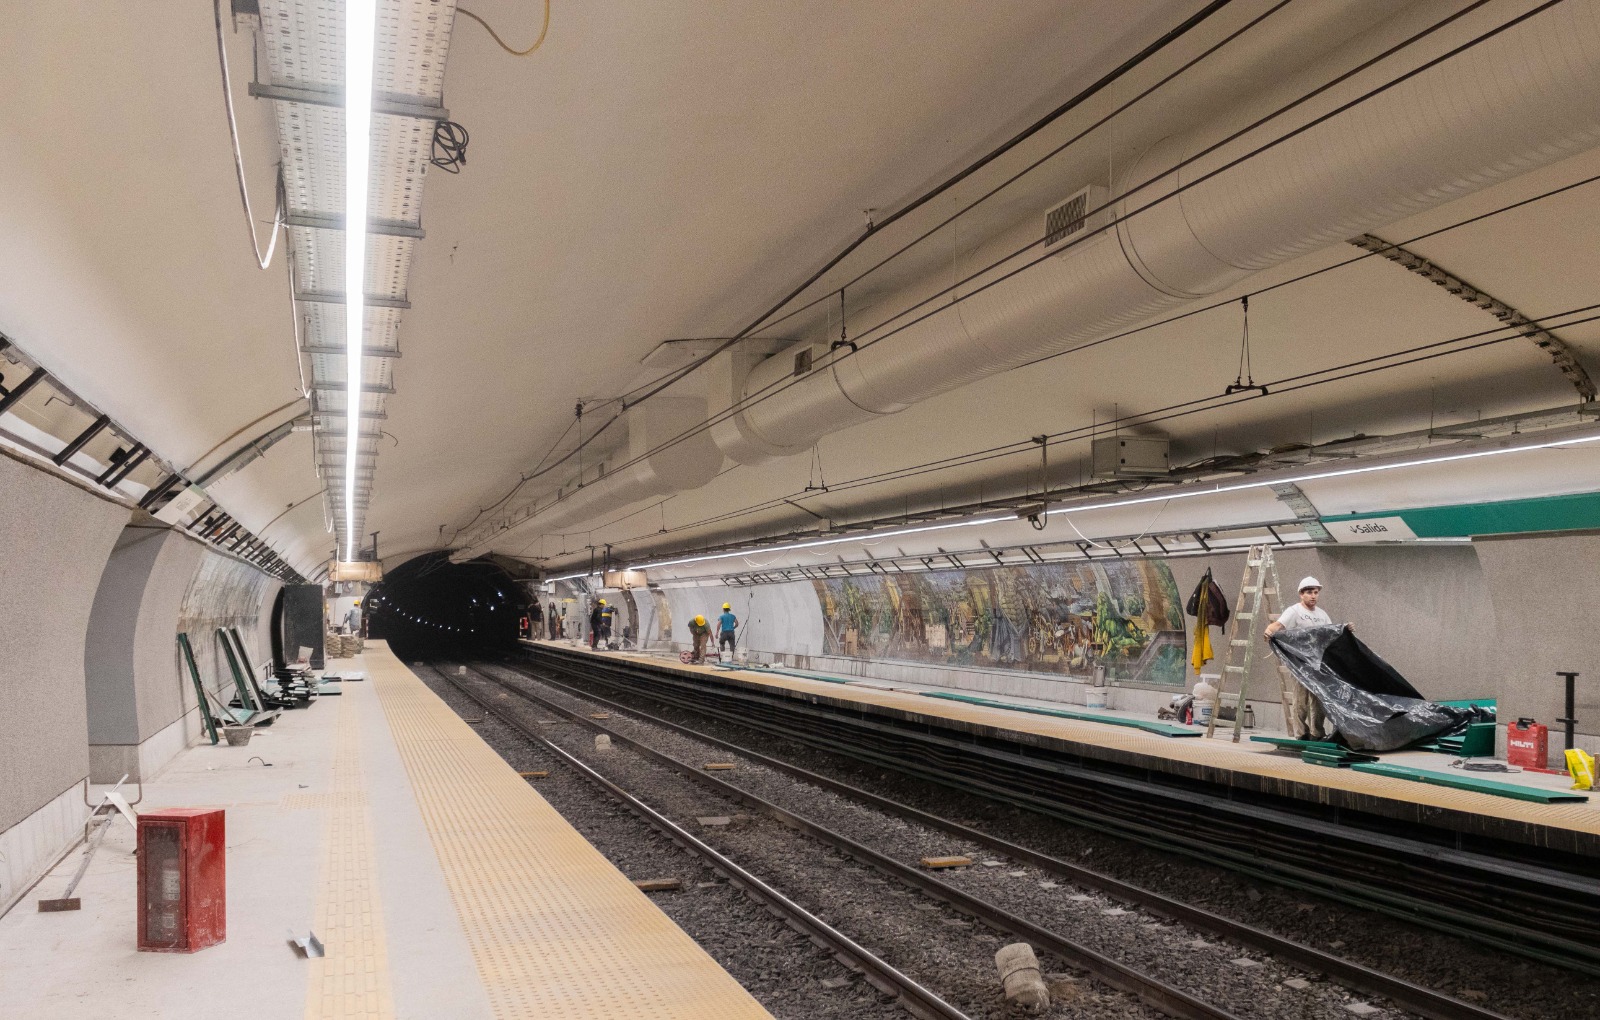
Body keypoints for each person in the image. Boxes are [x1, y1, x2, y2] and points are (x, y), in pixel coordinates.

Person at [1263, 576, 1350, 739]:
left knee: (1318, 699)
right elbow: (1278, 625)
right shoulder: (1294, 611)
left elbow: (1330, 633)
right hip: (1299, 664)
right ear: (1301, 594)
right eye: (1309, 592)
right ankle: (1301, 733)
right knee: (1301, 700)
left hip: (1317, 664)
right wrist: (1269, 630)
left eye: (1316, 592)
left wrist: (1343, 630)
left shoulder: (1322, 614)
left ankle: (1317, 732)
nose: (1313, 596)